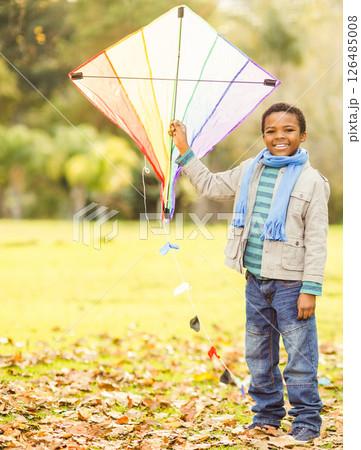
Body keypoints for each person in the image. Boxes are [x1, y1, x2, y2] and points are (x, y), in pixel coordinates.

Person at [168, 103, 330, 443]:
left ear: (302, 135)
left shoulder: (312, 181)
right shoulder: (251, 170)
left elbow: (317, 240)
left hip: (292, 284)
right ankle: (267, 416)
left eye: (288, 130)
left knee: (300, 356)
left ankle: (307, 420)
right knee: (259, 355)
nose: (279, 136)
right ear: (263, 136)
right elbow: (211, 185)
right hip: (255, 280)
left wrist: (310, 288)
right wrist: (184, 150)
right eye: (271, 130)